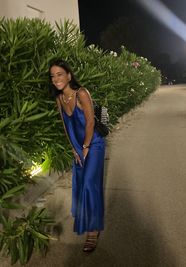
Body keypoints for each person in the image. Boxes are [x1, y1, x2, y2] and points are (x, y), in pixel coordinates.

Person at [48, 59, 105, 252]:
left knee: (90, 184)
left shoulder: (81, 93)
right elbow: (66, 125)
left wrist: (86, 145)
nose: (56, 79)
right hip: (79, 147)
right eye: (53, 76)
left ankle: (93, 230)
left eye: (60, 74)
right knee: (81, 185)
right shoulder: (59, 99)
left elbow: (89, 122)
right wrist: (73, 147)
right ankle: (89, 221)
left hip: (94, 144)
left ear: (69, 76)